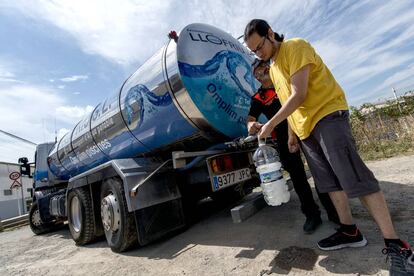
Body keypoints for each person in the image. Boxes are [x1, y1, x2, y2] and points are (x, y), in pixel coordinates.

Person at [244, 19, 414, 275]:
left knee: (355, 178)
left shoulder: (295, 47)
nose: (259, 54)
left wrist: (270, 126)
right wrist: (292, 135)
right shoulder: (275, 67)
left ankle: (396, 245)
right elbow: (291, 107)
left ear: (270, 33)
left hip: (327, 117)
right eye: (254, 52)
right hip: (306, 130)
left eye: (260, 47)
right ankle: (349, 231)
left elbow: (299, 95)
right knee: (330, 184)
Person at [247, 58, 339, 234]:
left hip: (304, 130)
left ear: (268, 66)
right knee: (298, 178)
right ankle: (312, 215)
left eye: (262, 67)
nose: (261, 72)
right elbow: (250, 118)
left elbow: (297, 103)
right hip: (283, 140)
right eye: (256, 72)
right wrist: (250, 125)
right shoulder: (259, 97)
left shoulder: (286, 83)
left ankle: (334, 211)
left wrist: (293, 133)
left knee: (320, 171)